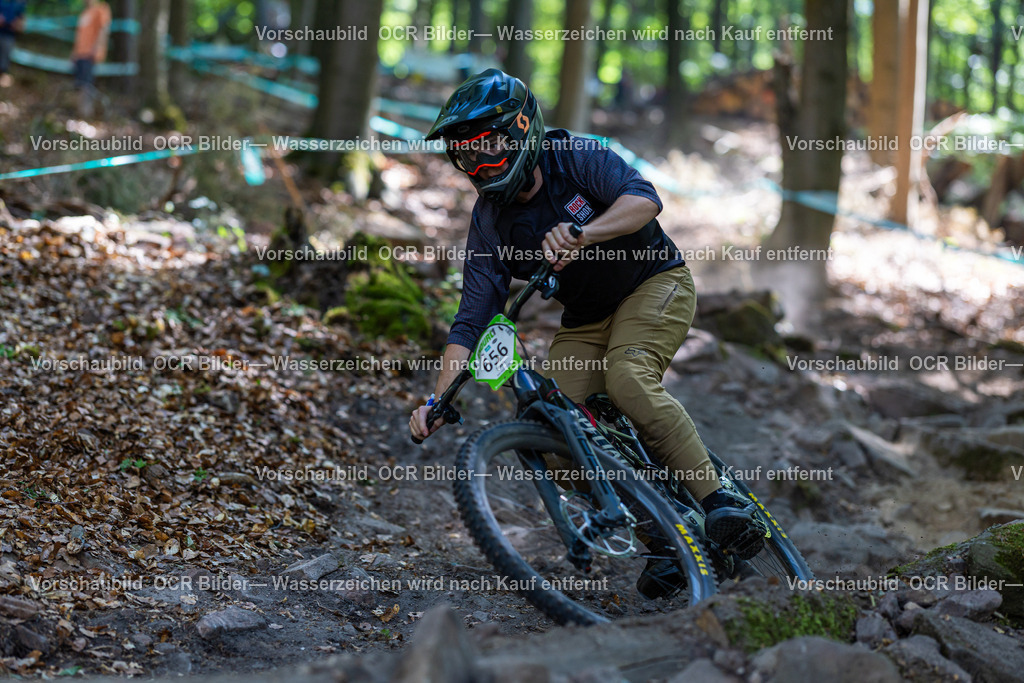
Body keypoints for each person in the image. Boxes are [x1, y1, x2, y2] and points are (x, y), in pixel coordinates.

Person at [409, 69, 767, 597]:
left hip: (654, 283)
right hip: (585, 319)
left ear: (523, 128)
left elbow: (644, 199)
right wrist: (437, 400)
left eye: (489, 146)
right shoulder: (489, 222)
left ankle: (721, 504)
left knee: (627, 378)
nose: (480, 164)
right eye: (466, 155)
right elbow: (471, 318)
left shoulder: (574, 156)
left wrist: (584, 232)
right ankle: (666, 537)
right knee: (556, 437)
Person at [71, 0, 111, 114]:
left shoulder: (102, 9)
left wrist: (97, 48)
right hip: (80, 54)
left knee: (86, 85)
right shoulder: (84, 13)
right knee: (79, 84)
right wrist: (74, 52)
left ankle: (85, 112)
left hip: (90, 55)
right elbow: (79, 35)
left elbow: (103, 29)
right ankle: (79, 111)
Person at [0, 0, 26, 88]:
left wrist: (17, 24)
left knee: (4, 60)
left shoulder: (19, 5)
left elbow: (21, 25)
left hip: (9, 35)